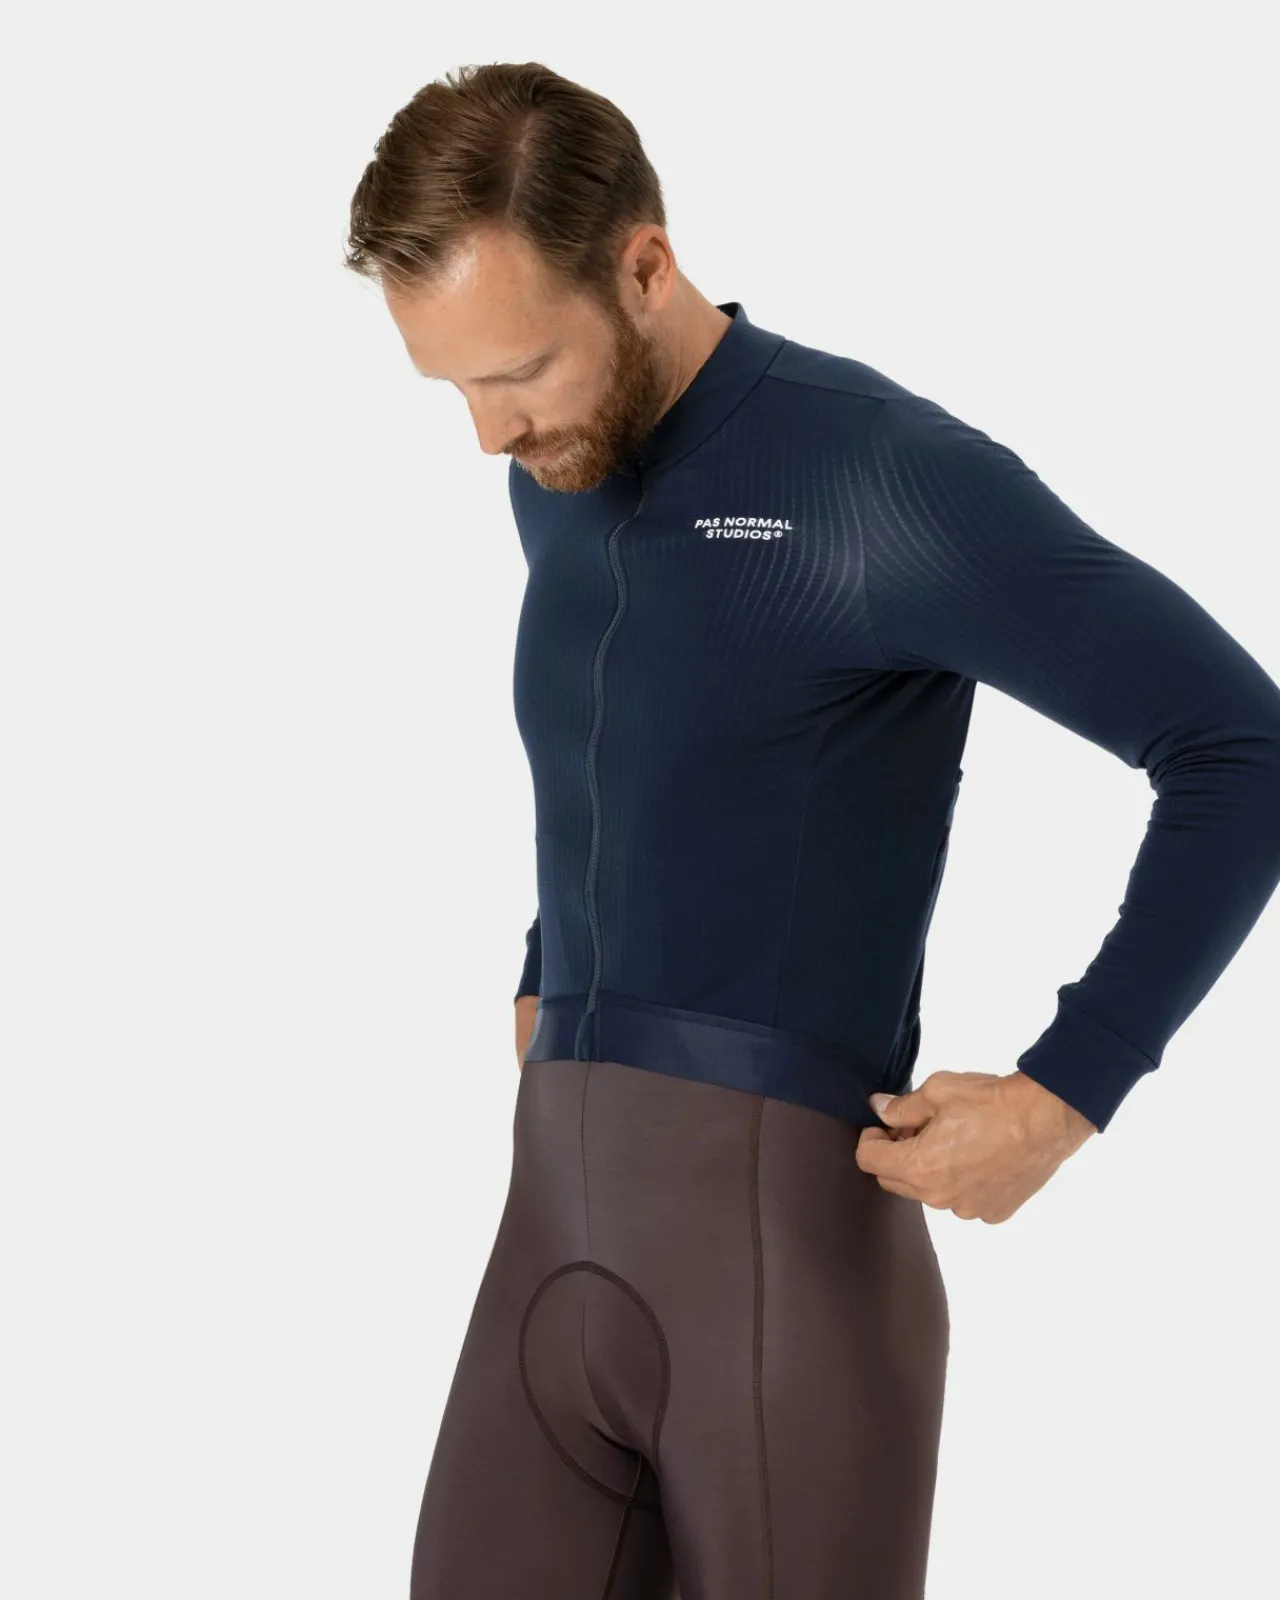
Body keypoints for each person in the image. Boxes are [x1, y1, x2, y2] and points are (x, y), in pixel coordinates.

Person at [345, 61, 1280, 1600]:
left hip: (782, 1289)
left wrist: (1069, 1088)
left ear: (645, 264)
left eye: (518, 370)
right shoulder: (557, 469)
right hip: (549, 1239)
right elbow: (647, 720)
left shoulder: (878, 478)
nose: (489, 433)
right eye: (453, 387)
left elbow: (1240, 747)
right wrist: (549, 954)